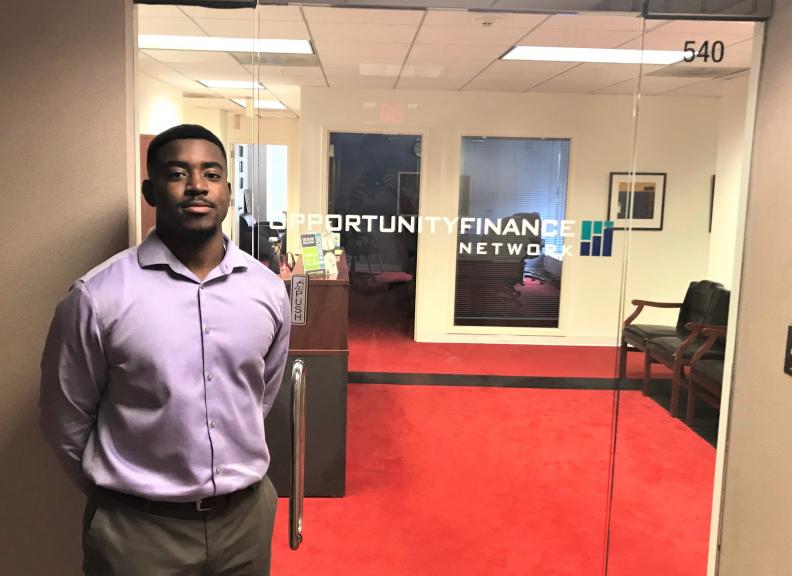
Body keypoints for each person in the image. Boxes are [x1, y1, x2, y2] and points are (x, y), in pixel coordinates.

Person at [39, 124, 291, 575]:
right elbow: (66, 417)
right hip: (137, 531)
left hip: (244, 522)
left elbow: (260, 394)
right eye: (178, 173)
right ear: (150, 190)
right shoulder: (98, 297)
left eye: (211, 174)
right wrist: (120, 497)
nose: (197, 185)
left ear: (228, 191)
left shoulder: (268, 291)